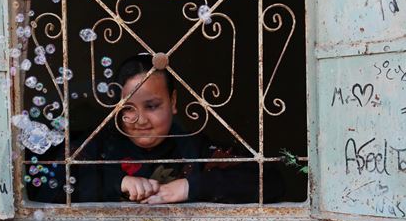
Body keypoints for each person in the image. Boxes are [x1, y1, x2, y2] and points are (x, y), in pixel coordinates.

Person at [72, 53, 282, 204]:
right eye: (128, 108)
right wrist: (118, 182)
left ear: (172, 102)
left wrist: (189, 187)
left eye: (152, 106)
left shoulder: (195, 150)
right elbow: (51, 183)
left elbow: (270, 180)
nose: (141, 120)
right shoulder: (98, 147)